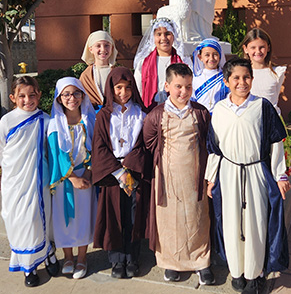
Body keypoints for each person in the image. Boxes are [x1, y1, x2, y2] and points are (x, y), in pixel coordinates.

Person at [205, 58, 290, 294]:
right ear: (226, 81)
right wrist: (211, 178)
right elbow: (214, 147)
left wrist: (280, 176)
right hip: (229, 172)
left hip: (255, 173)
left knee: (256, 223)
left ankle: (255, 274)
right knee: (232, 223)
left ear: (252, 79)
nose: (242, 82)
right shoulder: (219, 110)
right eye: (236, 78)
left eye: (246, 77)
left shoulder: (263, 107)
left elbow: (276, 143)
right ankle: (238, 270)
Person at [143, 63, 214, 285]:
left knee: (197, 217)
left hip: (194, 175)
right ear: (166, 86)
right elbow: (149, 140)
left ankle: (201, 262)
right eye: (178, 87)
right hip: (167, 177)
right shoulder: (157, 114)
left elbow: (207, 140)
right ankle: (171, 263)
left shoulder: (200, 112)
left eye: (188, 87)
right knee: (168, 219)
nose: (183, 92)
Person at [0, 76, 59, 288]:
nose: (27, 100)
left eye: (32, 95)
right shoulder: (6, 121)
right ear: (13, 98)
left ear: (39, 95)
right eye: (22, 96)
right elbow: (2, 153)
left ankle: (46, 254)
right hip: (14, 183)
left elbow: (51, 149)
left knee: (39, 219)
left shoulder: (45, 119)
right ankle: (28, 264)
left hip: (37, 180)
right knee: (19, 222)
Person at [92, 67, 150, 279]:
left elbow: (145, 144)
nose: (123, 93)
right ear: (111, 89)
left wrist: (131, 167)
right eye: (118, 88)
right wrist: (118, 171)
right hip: (113, 175)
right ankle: (117, 260)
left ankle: (132, 258)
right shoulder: (104, 116)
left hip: (134, 172)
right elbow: (99, 146)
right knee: (115, 217)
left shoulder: (141, 113)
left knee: (133, 216)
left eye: (127, 88)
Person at [47, 77, 97, 279]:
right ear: (59, 99)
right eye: (66, 94)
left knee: (83, 218)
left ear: (83, 95)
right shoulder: (54, 125)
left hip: (86, 177)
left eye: (76, 93)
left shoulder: (90, 121)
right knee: (63, 220)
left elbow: (98, 148)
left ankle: (82, 258)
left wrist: (88, 173)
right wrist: (72, 178)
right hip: (63, 181)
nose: (72, 98)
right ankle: (68, 257)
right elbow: (55, 155)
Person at [134, 17, 188, 109]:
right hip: (151, 109)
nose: (163, 38)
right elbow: (138, 89)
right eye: (159, 34)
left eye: (168, 34)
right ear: (153, 37)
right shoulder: (144, 63)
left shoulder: (182, 61)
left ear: (174, 35)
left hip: (177, 109)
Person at [241, 27, 286, 115]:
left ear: (268, 48)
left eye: (262, 47)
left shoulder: (277, 72)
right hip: (248, 118)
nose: (258, 51)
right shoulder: (241, 73)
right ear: (245, 49)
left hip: (271, 121)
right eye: (253, 47)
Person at [80, 30, 118, 111]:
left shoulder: (118, 73)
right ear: (90, 49)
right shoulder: (86, 76)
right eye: (98, 46)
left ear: (112, 48)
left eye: (107, 45)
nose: (103, 49)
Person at [192, 38, 228, 113]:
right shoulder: (195, 78)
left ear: (220, 56)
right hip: (200, 117)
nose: (211, 58)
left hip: (220, 116)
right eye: (207, 55)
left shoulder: (225, 76)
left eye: (215, 54)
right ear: (200, 57)